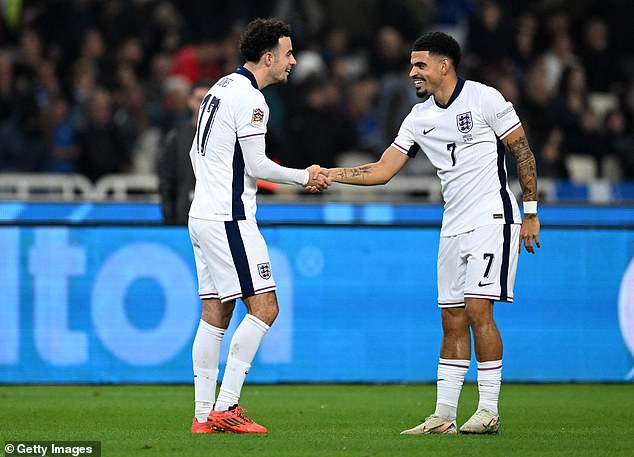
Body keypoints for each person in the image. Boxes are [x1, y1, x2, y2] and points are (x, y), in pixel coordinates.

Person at [324, 31, 540, 435]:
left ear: (445, 65)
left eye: (419, 64)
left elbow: (522, 150)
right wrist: (331, 175)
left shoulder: (484, 98)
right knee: (451, 319)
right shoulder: (419, 117)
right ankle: (443, 416)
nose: (412, 72)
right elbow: (383, 170)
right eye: (411, 65)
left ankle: (489, 409)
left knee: (479, 310)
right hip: (453, 224)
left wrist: (531, 211)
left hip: (493, 217)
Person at [187, 18, 330, 435]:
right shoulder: (251, 100)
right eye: (288, 53)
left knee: (215, 314)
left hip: (202, 214)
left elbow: (199, 156)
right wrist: (307, 176)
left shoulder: (216, 90)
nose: (293, 61)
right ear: (268, 57)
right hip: (229, 218)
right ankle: (227, 405)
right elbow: (258, 165)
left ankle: (202, 417)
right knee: (265, 307)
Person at [158, 79, 213, 225]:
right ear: (189, 101)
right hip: (182, 215)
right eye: (199, 99)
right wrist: (168, 214)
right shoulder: (176, 136)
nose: (203, 105)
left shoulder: (226, 136)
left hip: (215, 216)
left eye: (208, 100)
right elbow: (166, 178)